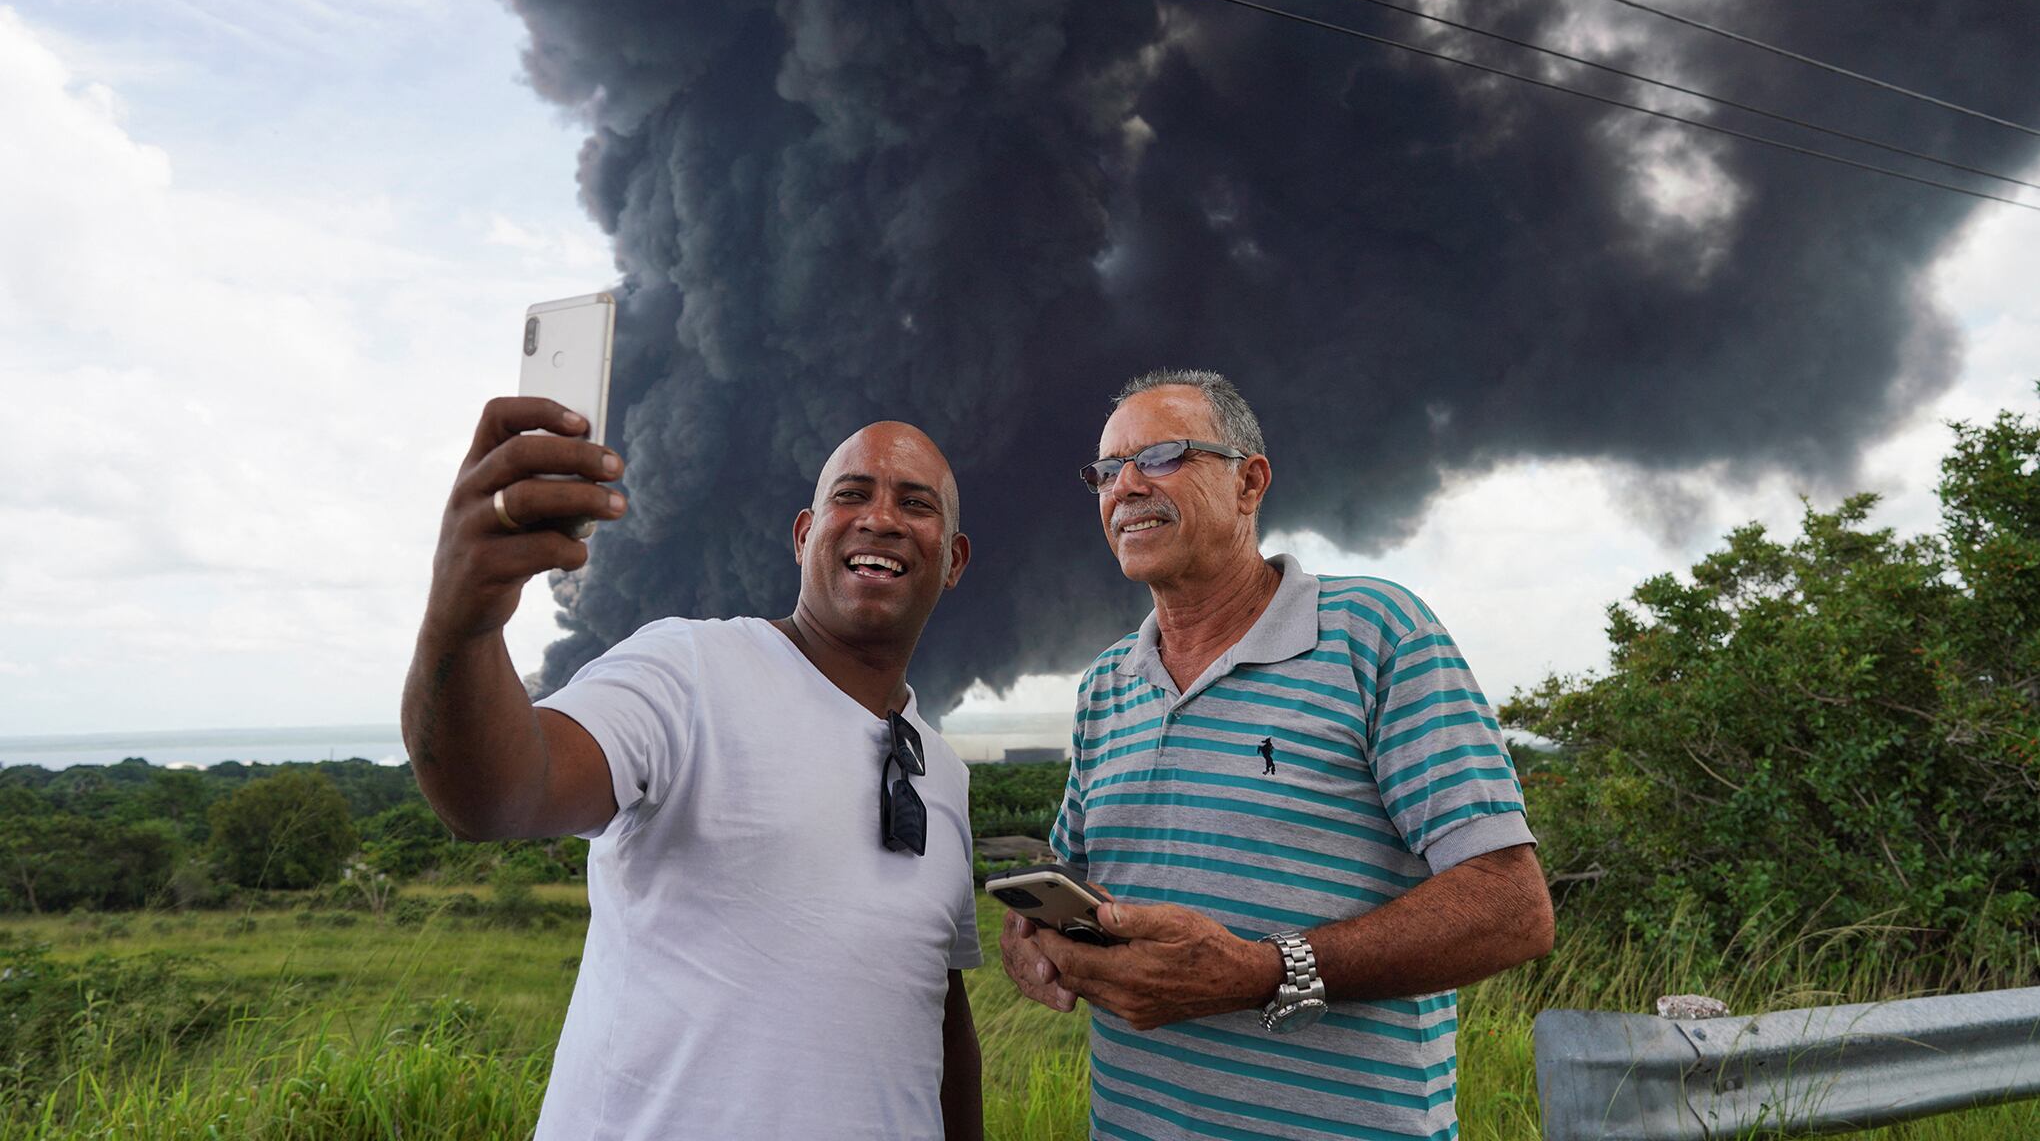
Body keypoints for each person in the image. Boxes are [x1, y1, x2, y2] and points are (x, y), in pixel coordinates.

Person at [402, 398, 983, 1141]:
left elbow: (938, 1012)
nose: (881, 518)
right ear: (803, 536)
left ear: (953, 560)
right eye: (852, 494)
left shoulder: (944, 774)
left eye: (916, 503)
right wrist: (462, 621)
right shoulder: (686, 670)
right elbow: (500, 791)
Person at [999, 369, 1554, 1141]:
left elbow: (1512, 909)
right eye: (1106, 470)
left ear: (1249, 482)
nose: (1125, 486)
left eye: (1162, 456)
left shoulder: (1375, 634)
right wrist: (1030, 942)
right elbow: (1075, 882)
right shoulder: (1105, 686)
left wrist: (1260, 972)